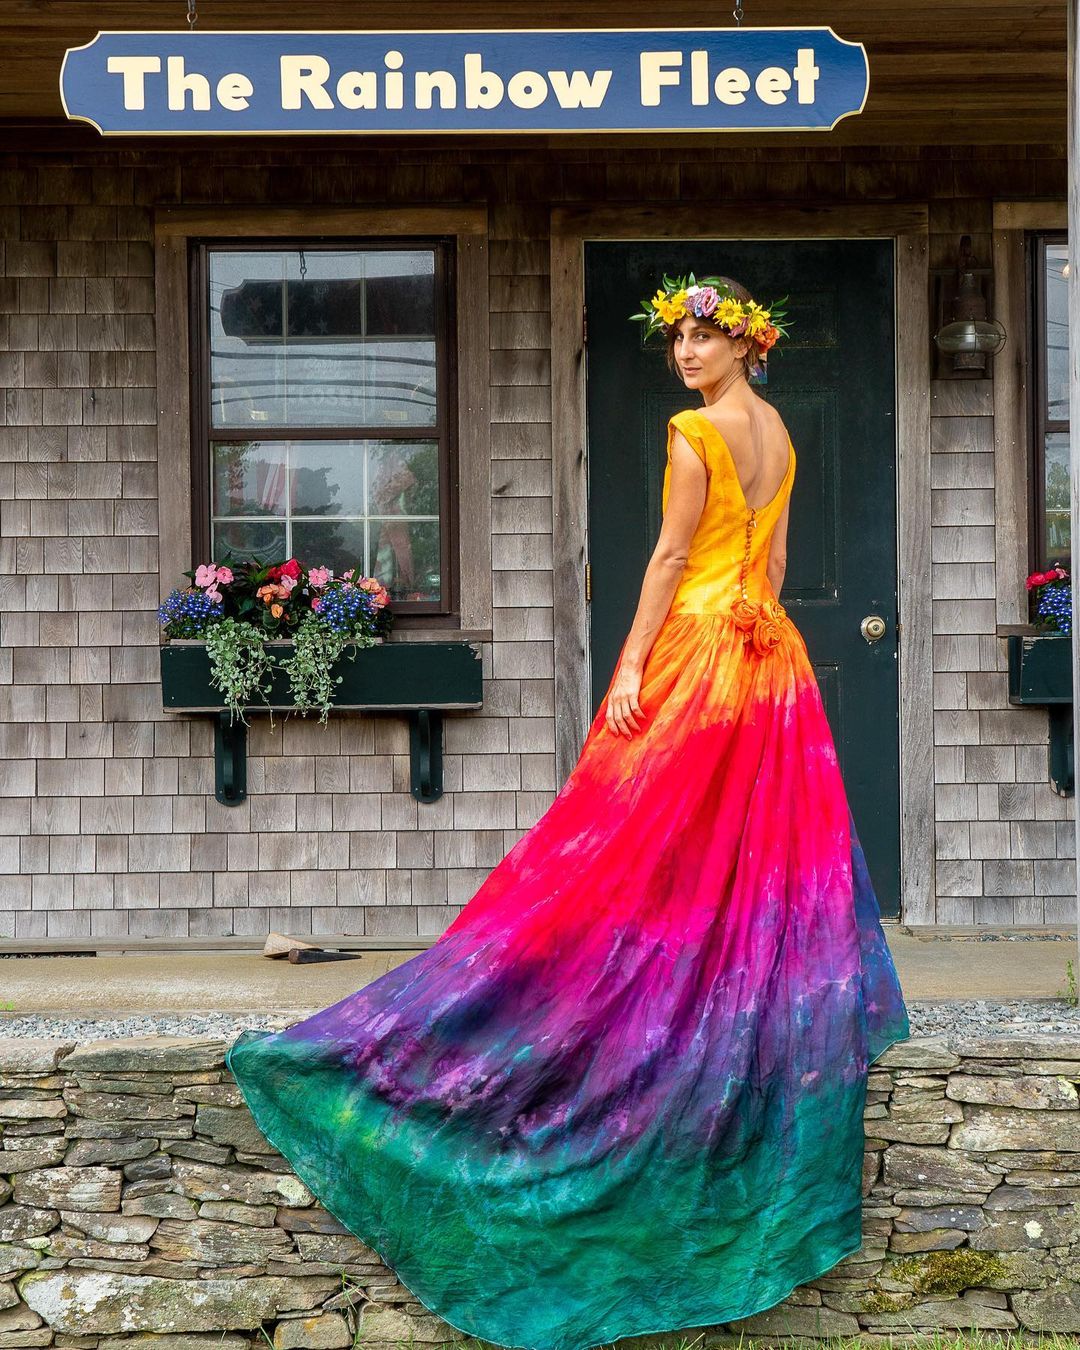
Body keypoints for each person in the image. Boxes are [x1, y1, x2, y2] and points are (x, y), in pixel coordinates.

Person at [226, 272, 911, 1350]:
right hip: (770, 659)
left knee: (618, 843)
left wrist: (633, 664)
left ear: (744, 344)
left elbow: (674, 557)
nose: (686, 354)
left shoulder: (697, 434)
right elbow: (772, 564)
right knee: (733, 853)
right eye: (679, 338)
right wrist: (754, 642)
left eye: (704, 336)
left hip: (697, 647)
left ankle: (556, 1000)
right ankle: (701, 984)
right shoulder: (777, 428)